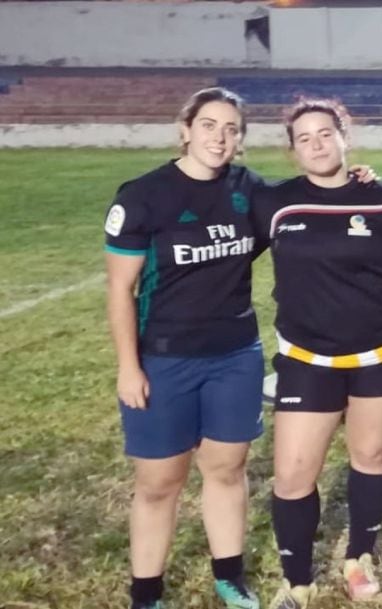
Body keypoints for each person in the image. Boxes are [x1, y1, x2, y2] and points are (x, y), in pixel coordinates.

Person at [104, 87, 264, 609]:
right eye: (210, 125)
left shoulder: (248, 189)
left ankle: (229, 577)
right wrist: (129, 367)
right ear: (185, 129)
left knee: (225, 470)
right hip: (165, 359)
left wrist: (354, 178)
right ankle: (146, 594)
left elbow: (305, 204)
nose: (220, 137)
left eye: (231, 128)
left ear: (240, 138)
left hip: (236, 355)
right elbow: (120, 291)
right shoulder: (144, 195)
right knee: (159, 482)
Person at [249, 99, 382, 609]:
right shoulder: (275, 204)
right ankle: (297, 581)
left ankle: (359, 556)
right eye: (304, 138)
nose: (317, 144)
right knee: (293, 475)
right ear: (292, 150)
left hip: (379, 354)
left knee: (371, 456)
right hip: (306, 358)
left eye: (325, 133)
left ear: (345, 136)